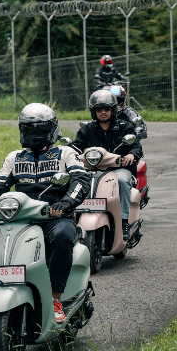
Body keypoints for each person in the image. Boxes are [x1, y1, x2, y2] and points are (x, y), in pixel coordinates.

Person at [0, 104, 87, 324]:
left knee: (62, 238)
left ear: (52, 129)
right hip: (22, 221)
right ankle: (0, 288)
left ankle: (55, 298)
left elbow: (81, 181)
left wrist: (66, 202)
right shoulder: (15, 157)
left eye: (40, 129)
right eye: (29, 129)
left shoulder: (66, 153)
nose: (34, 134)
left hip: (56, 218)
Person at [73, 90, 143, 242]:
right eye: (99, 109)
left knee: (123, 181)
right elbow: (76, 147)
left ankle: (124, 221)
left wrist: (131, 155)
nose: (103, 113)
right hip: (94, 170)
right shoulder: (87, 129)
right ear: (94, 111)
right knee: (75, 182)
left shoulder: (126, 127)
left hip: (119, 170)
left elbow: (136, 147)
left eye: (106, 109)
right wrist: (69, 154)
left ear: (113, 109)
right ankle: (72, 220)